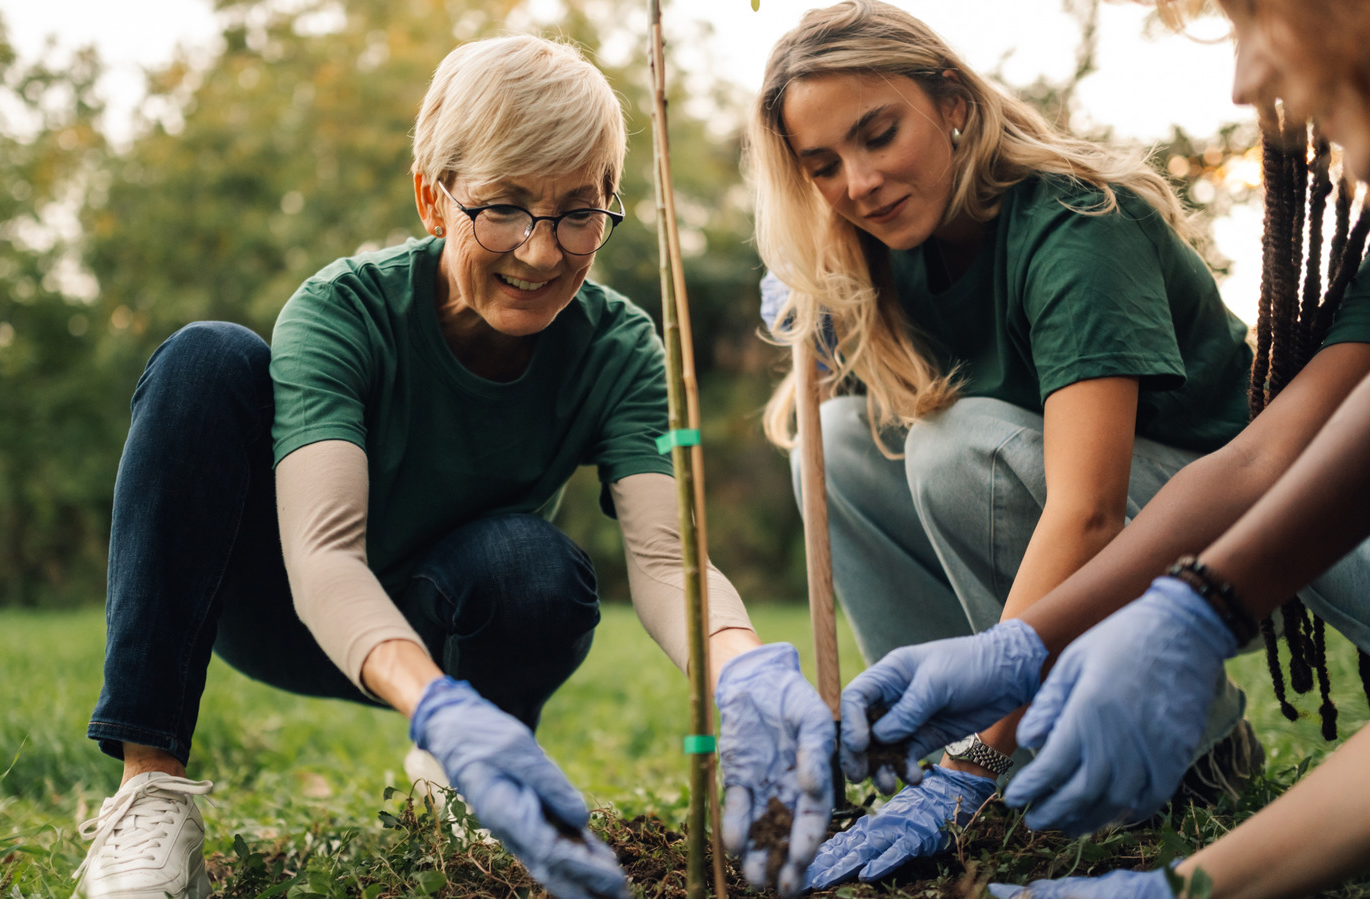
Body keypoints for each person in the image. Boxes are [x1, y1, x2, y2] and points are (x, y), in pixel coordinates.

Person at [71, 34, 835, 899]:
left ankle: (463, 770)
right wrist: (435, 702)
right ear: (433, 200)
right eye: (503, 208)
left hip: (456, 625)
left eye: (579, 212)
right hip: (281, 603)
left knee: (533, 562)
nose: (543, 253)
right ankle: (151, 791)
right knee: (204, 359)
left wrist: (745, 671)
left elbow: (666, 562)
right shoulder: (343, 312)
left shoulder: (618, 348)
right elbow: (325, 559)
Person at [836, 1, 1370, 896]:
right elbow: (1274, 456)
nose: (1244, 81)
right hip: (1246, 537)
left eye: (1256, 20)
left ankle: (1111, 762)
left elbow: (1117, 496)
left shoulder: (1072, 222)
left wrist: (993, 736)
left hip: (1278, 554)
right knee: (868, 437)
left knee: (957, 445)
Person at [750, 0, 1257, 887]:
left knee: (960, 446)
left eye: (878, 135)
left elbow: (1088, 509)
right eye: (823, 165)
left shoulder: (1073, 224)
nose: (859, 183)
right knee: (834, 442)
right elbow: (875, 473)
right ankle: (933, 748)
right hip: (1089, 535)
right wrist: (827, 316)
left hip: (1234, 537)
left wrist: (968, 771)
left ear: (951, 99)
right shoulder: (891, 243)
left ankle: (1181, 745)